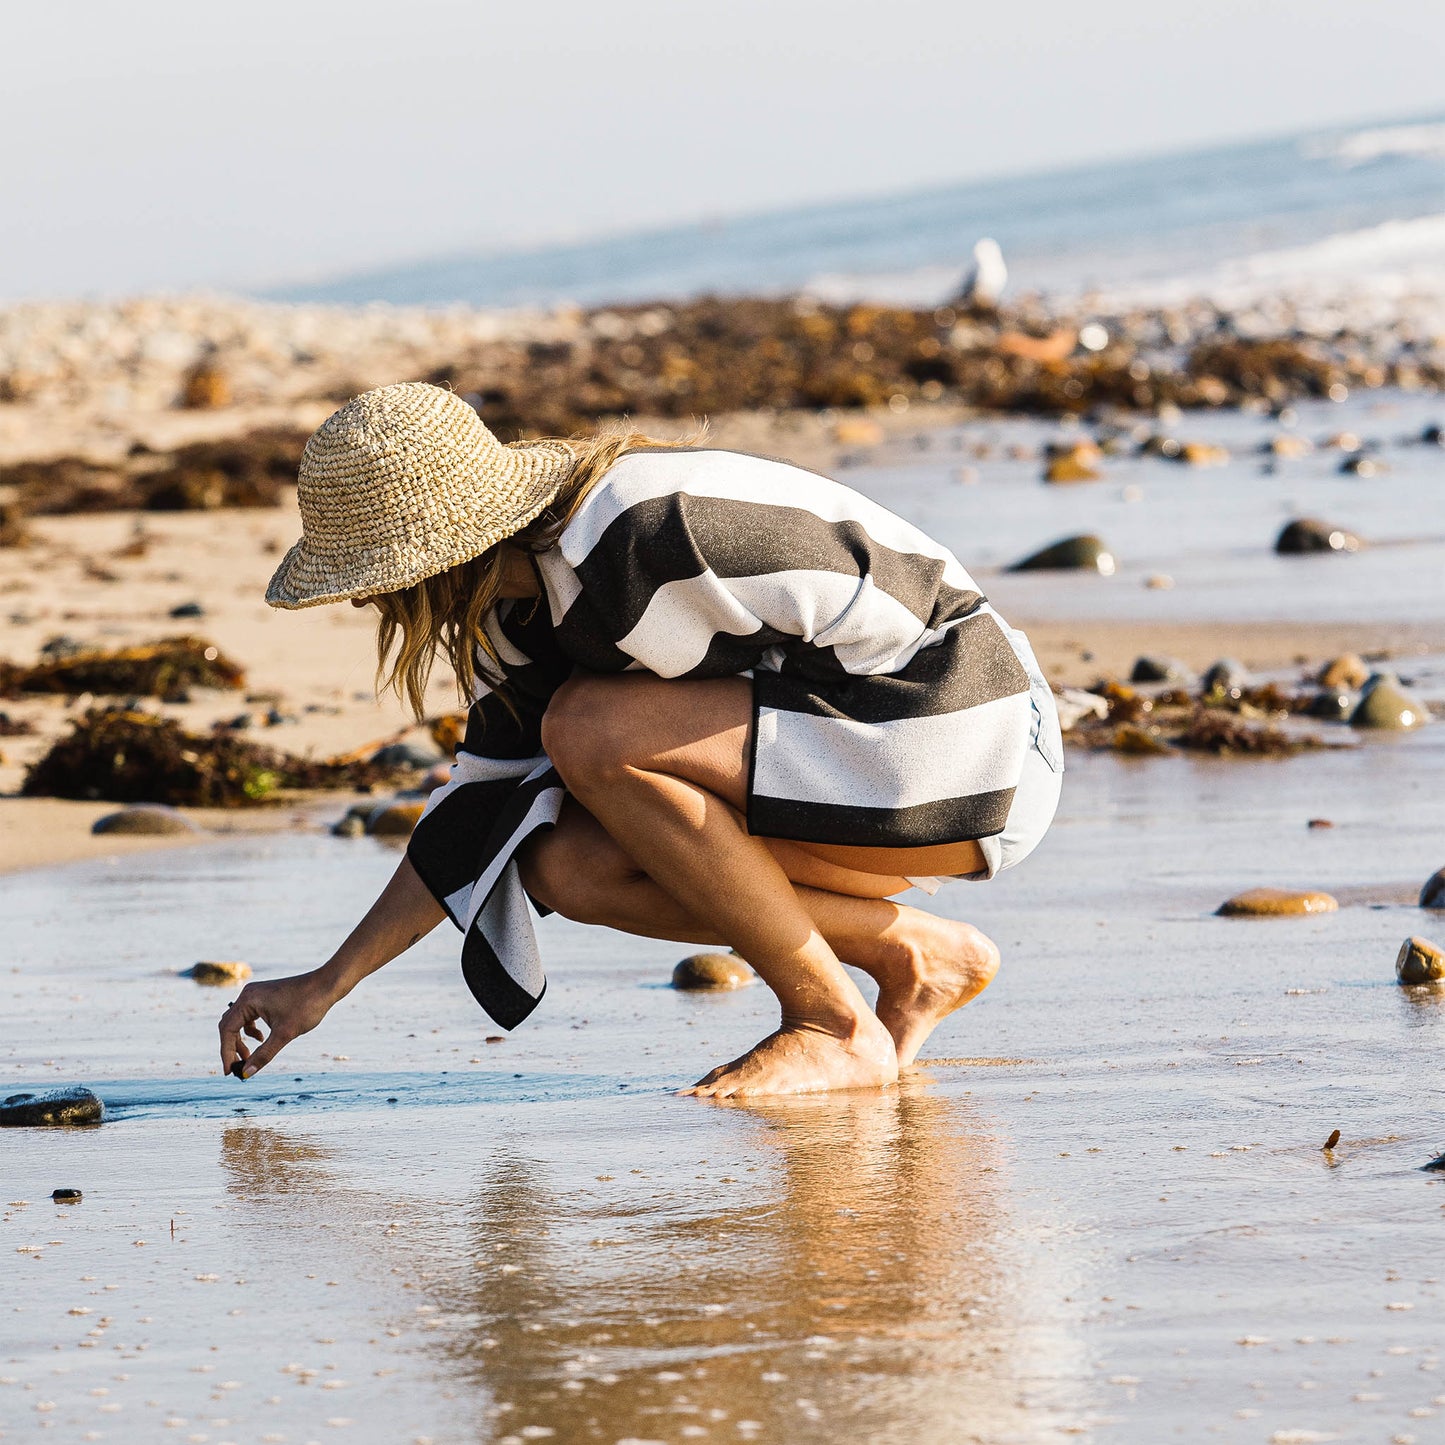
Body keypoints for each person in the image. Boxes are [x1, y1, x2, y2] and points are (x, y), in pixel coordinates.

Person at [218, 383, 1063, 1097]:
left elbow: (940, 630)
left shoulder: (647, 533)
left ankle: (833, 1023)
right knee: (561, 863)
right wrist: (324, 986)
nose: (367, 601)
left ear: (435, 552)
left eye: (373, 574)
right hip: (858, 768)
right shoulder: (510, 615)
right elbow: (474, 812)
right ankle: (913, 952)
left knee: (592, 731)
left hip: (975, 740)